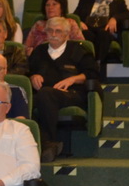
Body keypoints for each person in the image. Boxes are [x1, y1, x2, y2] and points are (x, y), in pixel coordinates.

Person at [28, 17, 99, 162]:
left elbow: (92, 73)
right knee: (28, 100)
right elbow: (27, 71)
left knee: (46, 93)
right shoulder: (39, 51)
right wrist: (33, 76)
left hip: (72, 94)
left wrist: (73, 79)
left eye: (58, 31)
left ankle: (47, 143)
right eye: (50, 30)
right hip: (43, 95)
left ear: (66, 34)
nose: (53, 34)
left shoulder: (78, 50)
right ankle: (41, 145)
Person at [74, 0, 129, 81]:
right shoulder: (85, 1)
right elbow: (75, 15)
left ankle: (98, 65)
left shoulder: (118, 2)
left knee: (103, 35)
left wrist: (115, 18)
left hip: (106, 31)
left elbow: (128, 15)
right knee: (86, 35)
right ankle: (90, 67)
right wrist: (79, 22)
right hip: (89, 29)